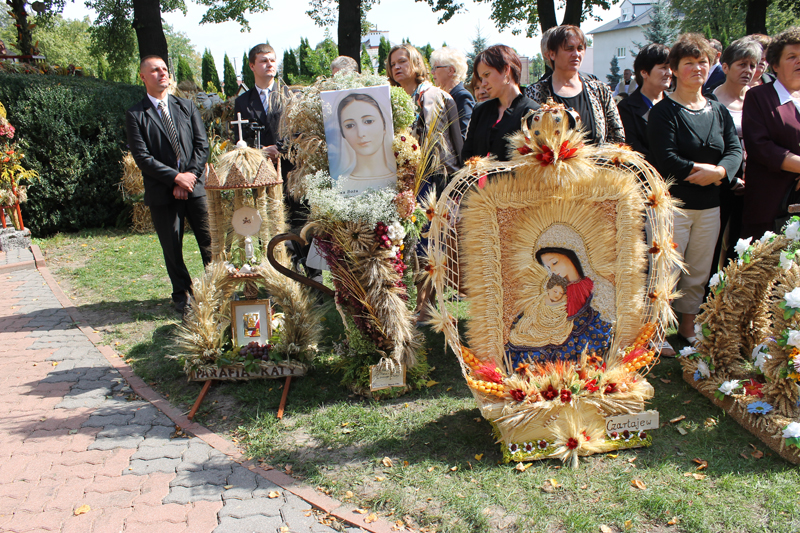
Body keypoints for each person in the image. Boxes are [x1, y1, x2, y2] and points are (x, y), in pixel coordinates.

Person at [648, 34, 742, 344]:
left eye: (702, 61)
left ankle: (687, 328)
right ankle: (657, 332)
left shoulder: (717, 110)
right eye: (689, 63)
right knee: (666, 272)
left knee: (699, 271)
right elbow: (665, 156)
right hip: (675, 207)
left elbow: (734, 150)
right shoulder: (663, 112)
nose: (697, 68)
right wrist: (693, 172)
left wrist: (719, 172)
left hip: (710, 206)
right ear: (674, 69)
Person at [125, 55, 212, 314]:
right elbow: (142, 157)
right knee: (172, 247)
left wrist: (188, 178)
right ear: (143, 77)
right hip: (162, 192)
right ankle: (182, 294)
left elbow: (202, 145)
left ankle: (215, 287)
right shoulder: (136, 114)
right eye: (155, 70)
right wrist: (175, 178)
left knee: (209, 242)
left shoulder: (186, 106)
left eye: (164, 69)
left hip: (195, 187)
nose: (162, 73)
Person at [505, 248, 612, 365]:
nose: (554, 270)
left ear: (569, 256)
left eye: (555, 262)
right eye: (549, 267)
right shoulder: (553, 291)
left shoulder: (593, 286)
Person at [742, 27, 800, 239]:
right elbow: (761, 147)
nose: (798, 62)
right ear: (775, 65)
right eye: (792, 57)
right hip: (771, 203)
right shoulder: (759, 97)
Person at [526, 25, 624, 145]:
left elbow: (617, 136)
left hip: (597, 163)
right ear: (552, 54)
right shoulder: (534, 93)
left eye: (580, 48)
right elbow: (528, 140)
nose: (576, 54)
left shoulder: (600, 91)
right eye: (569, 49)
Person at [710, 38, 760, 268]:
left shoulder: (758, 99)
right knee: (714, 246)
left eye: (753, 65)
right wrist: (730, 177)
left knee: (741, 248)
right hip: (720, 183)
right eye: (742, 64)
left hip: (754, 182)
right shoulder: (710, 100)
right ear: (725, 66)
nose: (748, 70)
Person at [386, 43, 463, 181]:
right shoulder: (390, 101)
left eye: (402, 61)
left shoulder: (431, 95)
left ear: (416, 63)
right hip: (406, 178)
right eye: (392, 64)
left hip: (437, 177)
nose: (396, 67)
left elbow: (437, 144)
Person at [462, 45, 540, 161]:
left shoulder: (532, 112)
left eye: (487, 75)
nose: (483, 83)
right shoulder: (480, 110)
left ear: (506, 70)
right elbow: (467, 156)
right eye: (481, 77)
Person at [333, 92, 396, 195]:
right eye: (349, 125)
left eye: (368, 121)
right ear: (343, 133)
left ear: (384, 126)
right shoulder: (340, 186)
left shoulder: (404, 179)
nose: (360, 133)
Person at [617, 43, 671, 161]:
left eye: (670, 68)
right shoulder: (626, 108)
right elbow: (634, 150)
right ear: (644, 72)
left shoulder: (675, 104)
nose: (669, 73)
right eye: (663, 67)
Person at [430, 47, 475, 138]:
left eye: (435, 68)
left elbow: (465, 136)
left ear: (451, 70)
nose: (432, 72)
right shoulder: (441, 97)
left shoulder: (463, 97)